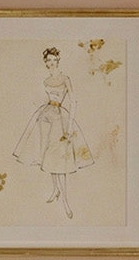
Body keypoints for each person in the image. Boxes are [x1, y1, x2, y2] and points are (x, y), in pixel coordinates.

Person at [12, 46, 93, 218]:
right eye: (48, 60)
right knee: (49, 156)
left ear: (58, 61)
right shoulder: (46, 81)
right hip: (45, 118)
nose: (51, 63)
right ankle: (56, 189)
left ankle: (65, 201)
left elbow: (74, 102)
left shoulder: (65, 78)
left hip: (61, 121)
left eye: (53, 60)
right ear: (45, 62)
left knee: (60, 162)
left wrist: (70, 126)